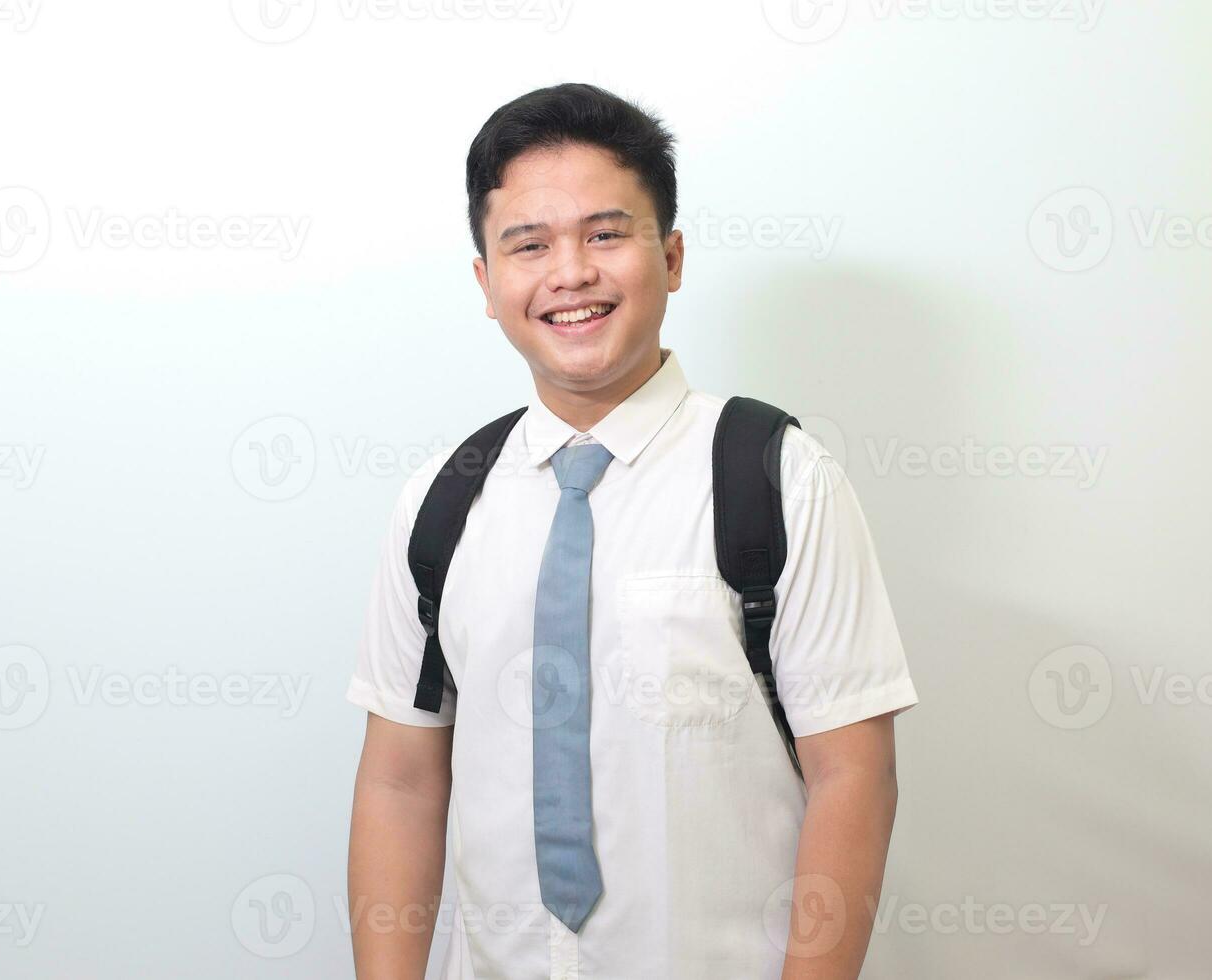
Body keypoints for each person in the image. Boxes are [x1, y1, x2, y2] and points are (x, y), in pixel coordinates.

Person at [346, 81, 918, 979]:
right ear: (487, 284)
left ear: (673, 255)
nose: (570, 273)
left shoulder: (777, 477)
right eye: (528, 245)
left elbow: (854, 777)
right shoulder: (442, 501)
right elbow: (400, 781)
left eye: (606, 234)